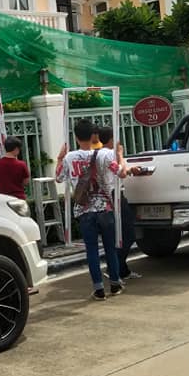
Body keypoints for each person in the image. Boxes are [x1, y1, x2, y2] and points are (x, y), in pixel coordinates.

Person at [55, 120, 127, 300]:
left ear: (76, 137)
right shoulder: (105, 154)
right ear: (95, 136)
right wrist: (120, 155)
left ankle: (98, 289)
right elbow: (121, 173)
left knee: (92, 250)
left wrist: (59, 158)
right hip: (105, 208)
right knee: (110, 248)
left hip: (84, 210)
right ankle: (115, 284)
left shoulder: (70, 158)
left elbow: (58, 177)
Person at [98, 126, 142, 281]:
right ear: (111, 139)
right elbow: (121, 173)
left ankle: (122, 269)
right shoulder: (110, 154)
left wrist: (130, 170)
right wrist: (120, 154)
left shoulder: (98, 154)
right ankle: (114, 268)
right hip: (114, 195)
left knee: (118, 233)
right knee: (128, 233)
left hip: (106, 195)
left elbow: (115, 172)